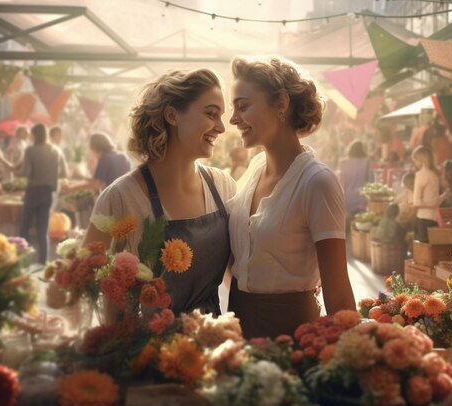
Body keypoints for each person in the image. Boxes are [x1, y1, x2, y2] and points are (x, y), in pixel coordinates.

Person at [83, 68, 236, 316]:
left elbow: (236, 273)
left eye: (221, 117)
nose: (221, 127)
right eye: (211, 114)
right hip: (143, 348)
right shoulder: (121, 197)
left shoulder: (224, 187)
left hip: (211, 343)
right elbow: (83, 280)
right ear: (172, 115)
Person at [227, 56, 356, 339]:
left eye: (243, 106)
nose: (233, 119)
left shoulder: (317, 181)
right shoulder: (253, 170)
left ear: (281, 104)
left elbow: (338, 294)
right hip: (240, 334)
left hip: (294, 338)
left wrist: (350, 362)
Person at [20, 123, 68, 264]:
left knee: (25, 227)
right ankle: (44, 262)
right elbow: (64, 173)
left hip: (33, 191)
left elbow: (25, 172)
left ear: (34, 135)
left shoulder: (30, 150)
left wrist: (14, 168)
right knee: (43, 230)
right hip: (48, 193)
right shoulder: (56, 151)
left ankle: (22, 260)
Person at [412, 145, 441, 243]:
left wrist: (431, 204)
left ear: (421, 159)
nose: (415, 163)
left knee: (422, 251)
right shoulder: (435, 175)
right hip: (434, 218)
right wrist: (434, 204)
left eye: (415, 160)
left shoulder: (420, 175)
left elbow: (416, 202)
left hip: (423, 218)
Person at [337, 139, 372, 217]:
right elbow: (370, 181)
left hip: (347, 197)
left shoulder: (343, 162)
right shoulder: (366, 162)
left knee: (348, 222)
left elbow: (339, 181)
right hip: (362, 198)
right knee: (361, 222)